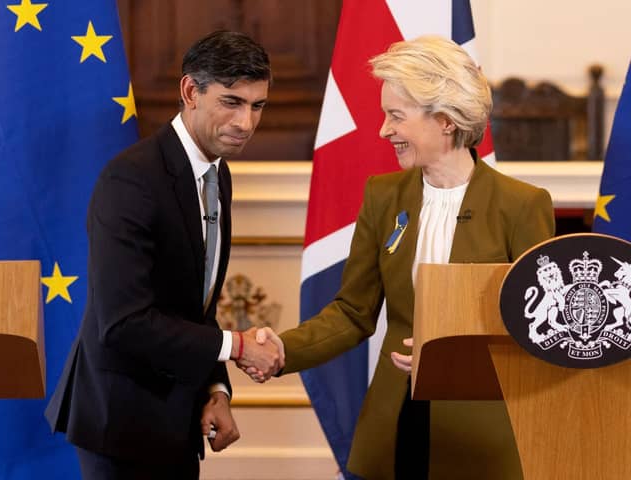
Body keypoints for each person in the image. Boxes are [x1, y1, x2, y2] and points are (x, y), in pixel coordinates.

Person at [246, 35, 555, 479]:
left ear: (445, 120)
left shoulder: (521, 205)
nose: (383, 130)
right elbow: (353, 312)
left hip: (482, 435)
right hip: (398, 423)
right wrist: (282, 349)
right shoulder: (383, 196)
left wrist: (462, 361)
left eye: (396, 116)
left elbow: (538, 332)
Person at [45, 31, 283, 480]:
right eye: (232, 102)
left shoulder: (218, 174)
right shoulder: (131, 180)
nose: (246, 123)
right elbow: (124, 322)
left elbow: (196, 306)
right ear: (190, 91)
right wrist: (237, 347)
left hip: (177, 419)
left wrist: (216, 390)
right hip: (119, 425)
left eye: (257, 106)